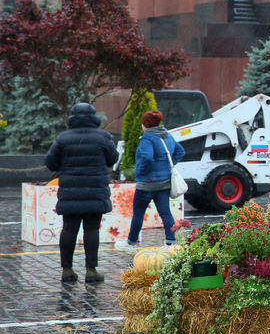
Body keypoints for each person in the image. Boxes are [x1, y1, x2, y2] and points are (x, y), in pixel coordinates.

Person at [45, 103, 119, 283]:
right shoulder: (102, 137)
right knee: (92, 229)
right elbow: (113, 158)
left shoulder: (63, 139)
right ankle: (91, 270)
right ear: (94, 117)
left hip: (70, 192)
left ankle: (67, 270)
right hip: (95, 191)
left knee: (69, 229)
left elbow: (50, 163)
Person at [115, 110, 185, 253]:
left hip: (146, 184)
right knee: (166, 213)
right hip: (164, 183)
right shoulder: (167, 136)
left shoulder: (148, 139)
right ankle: (171, 242)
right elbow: (180, 151)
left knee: (138, 214)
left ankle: (131, 242)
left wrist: (139, 172)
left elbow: (146, 157)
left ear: (145, 124)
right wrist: (167, 166)